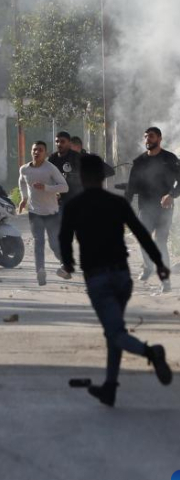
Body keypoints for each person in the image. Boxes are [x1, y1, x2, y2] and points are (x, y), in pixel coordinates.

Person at [60, 155, 173, 407]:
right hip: (122, 276)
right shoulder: (116, 203)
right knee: (115, 331)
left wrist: (68, 263)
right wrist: (160, 265)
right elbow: (142, 234)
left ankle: (151, 353)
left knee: (114, 331)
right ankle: (110, 387)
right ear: (102, 178)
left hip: (98, 278)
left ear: (81, 178)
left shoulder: (74, 205)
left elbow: (65, 240)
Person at [125, 127, 180, 293]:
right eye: (146, 137)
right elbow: (130, 188)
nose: (148, 140)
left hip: (165, 207)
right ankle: (148, 266)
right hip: (145, 208)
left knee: (160, 242)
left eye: (151, 136)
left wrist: (171, 194)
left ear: (159, 139)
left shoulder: (169, 159)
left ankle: (166, 281)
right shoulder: (139, 161)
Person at [18, 141, 70, 286]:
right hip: (34, 212)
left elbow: (64, 187)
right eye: (34, 149)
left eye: (40, 150)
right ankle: (40, 271)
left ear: (45, 153)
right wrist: (24, 198)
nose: (37, 152)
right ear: (31, 151)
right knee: (38, 242)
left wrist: (46, 187)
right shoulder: (24, 169)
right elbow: (22, 182)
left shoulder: (50, 169)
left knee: (54, 243)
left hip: (51, 212)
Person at [48, 131, 82, 209]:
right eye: (57, 141)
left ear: (69, 143)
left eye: (62, 141)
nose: (59, 144)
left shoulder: (77, 157)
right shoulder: (52, 158)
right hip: (58, 200)